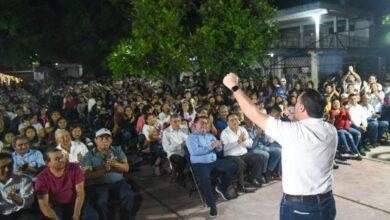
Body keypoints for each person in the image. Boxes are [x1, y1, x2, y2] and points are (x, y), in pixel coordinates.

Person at [223, 73, 337, 220]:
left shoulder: (292, 132)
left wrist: (234, 86)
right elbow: (308, 128)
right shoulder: (331, 130)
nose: (293, 106)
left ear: (302, 108)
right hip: (326, 202)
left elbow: (254, 114)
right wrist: (295, 118)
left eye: (296, 104)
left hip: (301, 208)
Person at [186, 116, 237, 217]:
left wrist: (218, 146)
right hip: (200, 164)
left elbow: (217, 150)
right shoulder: (191, 137)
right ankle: (212, 205)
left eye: (206, 123)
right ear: (195, 125)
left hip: (214, 161)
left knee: (232, 165)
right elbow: (195, 152)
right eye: (202, 123)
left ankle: (222, 188)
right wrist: (212, 146)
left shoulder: (210, 136)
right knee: (205, 178)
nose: (204, 125)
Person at [81, 128, 133, 220]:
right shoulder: (89, 155)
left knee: (128, 195)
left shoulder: (117, 150)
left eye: (107, 138)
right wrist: (105, 169)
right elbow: (86, 175)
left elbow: (126, 168)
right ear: (95, 141)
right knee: (100, 201)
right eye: (101, 138)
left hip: (118, 183)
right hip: (99, 185)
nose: (104, 141)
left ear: (111, 140)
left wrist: (115, 164)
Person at [35, 148, 98, 220]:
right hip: (56, 206)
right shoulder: (41, 178)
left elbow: (80, 193)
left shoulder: (74, 167)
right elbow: (44, 206)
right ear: (47, 163)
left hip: (76, 201)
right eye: (57, 159)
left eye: (62, 156)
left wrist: (76, 216)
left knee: (92, 216)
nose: (61, 160)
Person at [220, 113, 263, 192]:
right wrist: (238, 141)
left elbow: (250, 144)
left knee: (258, 158)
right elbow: (225, 148)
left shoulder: (242, 129)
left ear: (238, 120)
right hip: (231, 156)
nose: (234, 121)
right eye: (231, 120)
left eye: (236, 119)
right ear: (228, 122)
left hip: (243, 153)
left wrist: (243, 140)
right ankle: (240, 186)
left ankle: (253, 179)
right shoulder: (224, 133)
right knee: (241, 163)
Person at [0, 152, 36, 220]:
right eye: (3, 167)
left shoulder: (24, 179)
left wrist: (16, 199)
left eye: (10, 166)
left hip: (20, 213)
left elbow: (29, 203)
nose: (7, 169)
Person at [162, 114, 189, 184]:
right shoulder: (166, 132)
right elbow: (166, 148)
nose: (177, 123)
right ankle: (180, 175)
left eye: (179, 121)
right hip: (173, 153)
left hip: (185, 151)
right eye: (175, 121)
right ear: (170, 122)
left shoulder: (185, 128)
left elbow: (189, 140)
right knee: (179, 160)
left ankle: (188, 174)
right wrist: (180, 145)